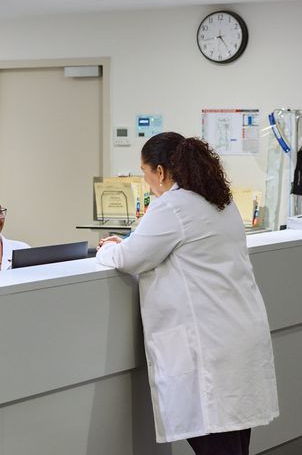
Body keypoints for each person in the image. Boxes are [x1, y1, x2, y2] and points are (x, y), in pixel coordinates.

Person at [97, 132, 278, 455]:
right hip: (237, 335)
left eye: (145, 171)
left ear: (161, 171)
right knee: (233, 441)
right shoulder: (218, 202)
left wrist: (108, 247)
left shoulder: (174, 207)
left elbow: (128, 258)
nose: (146, 180)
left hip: (211, 346)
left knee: (218, 443)